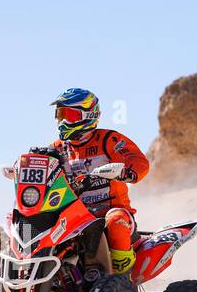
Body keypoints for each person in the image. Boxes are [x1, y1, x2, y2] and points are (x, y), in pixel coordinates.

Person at [50, 88, 150, 275]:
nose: (63, 121)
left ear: (89, 115)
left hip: (111, 211)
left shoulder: (108, 140)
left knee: (116, 220)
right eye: (60, 115)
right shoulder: (57, 148)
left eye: (70, 115)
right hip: (75, 216)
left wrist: (127, 172)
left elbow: (139, 161)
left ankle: (122, 279)